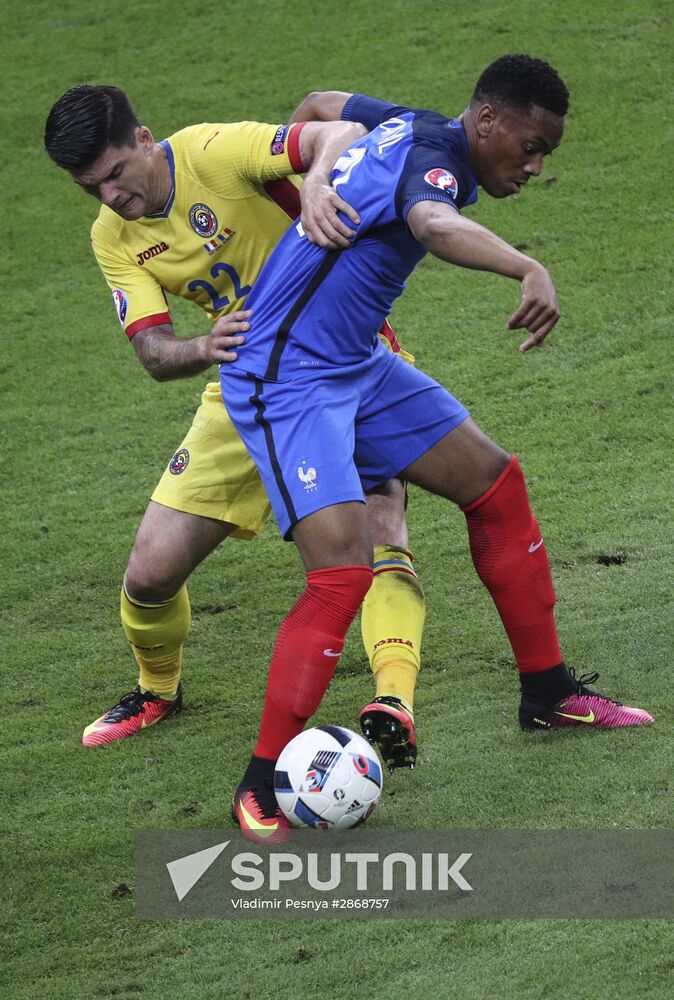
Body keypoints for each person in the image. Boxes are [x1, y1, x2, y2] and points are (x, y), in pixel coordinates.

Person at [218, 54, 654, 840]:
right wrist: (526, 264)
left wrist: (313, 177)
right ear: (486, 121)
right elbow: (431, 222)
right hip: (285, 378)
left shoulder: (408, 120)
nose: (535, 165)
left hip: (354, 362)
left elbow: (319, 98)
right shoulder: (431, 161)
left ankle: (548, 694)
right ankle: (260, 780)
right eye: (528, 146)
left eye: (545, 151)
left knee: (495, 483)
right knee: (342, 574)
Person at [43, 86, 427, 771]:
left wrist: (314, 185)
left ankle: (393, 701)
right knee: (149, 575)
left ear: (143, 138)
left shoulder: (213, 152)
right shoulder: (114, 236)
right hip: (242, 388)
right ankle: (157, 690)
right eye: (88, 187)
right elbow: (153, 353)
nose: (108, 197)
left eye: (114, 175)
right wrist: (201, 347)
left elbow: (328, 132)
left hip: (340, 359)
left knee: (378, 517)